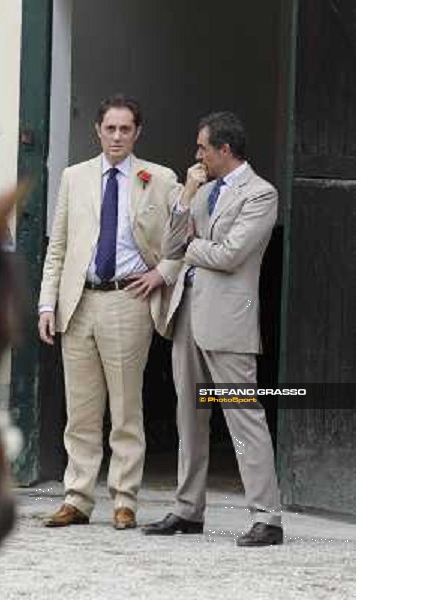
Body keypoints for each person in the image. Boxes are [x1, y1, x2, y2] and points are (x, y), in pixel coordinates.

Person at [38, 94, 182, 530]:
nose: (117, 136)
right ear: (97, 130)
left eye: (125, 129)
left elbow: (183, 234)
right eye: (110, 128)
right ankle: (77, 498)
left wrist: (162, 272)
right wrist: (47, 303)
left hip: (128, 299)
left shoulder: (158, 178)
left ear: (137, 132)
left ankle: (124, 499)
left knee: (125, 406)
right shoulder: (74, 177)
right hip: (78, 300)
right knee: (80, 411)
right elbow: (58, 246)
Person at [142, 112, 283, 547]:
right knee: (189, 417)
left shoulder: (261, 193)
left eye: (203, 147)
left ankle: (268, 517)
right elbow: (170, 246)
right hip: (187, 316)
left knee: (244, 418)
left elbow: (230, 255)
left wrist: (191, 249)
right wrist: (185, 197)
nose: (197, 154)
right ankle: (188, 509)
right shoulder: (201, 193)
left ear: (225, 150)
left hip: (228, 322)